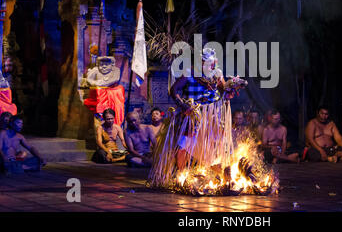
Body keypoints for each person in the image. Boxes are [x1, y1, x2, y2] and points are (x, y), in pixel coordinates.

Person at [148, 48, 247, 187]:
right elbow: (174, 90)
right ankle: (181, 175)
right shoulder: (190, 72)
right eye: (208, 64)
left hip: (213, 113)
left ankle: (218, 174)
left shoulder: (217, 74)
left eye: (214, 63)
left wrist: (231, 88)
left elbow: (223, 90)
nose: (212, 66)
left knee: (217, 143)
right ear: (201, 62)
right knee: (184, 144)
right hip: (195, 114)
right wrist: (184, 106)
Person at [83, 56, 125, 126]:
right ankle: (101, 112)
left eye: (107, 64)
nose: (104, 66)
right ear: (97, 64)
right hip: (99, 91)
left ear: (112, 65)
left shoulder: (116, 70)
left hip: (112, 90)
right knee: (98, 91)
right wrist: (95, 83)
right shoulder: (95, 70)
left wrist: (102, 83)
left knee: (119, 89)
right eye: (101, 64)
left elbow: (115, 79)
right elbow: (89, 79)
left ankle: (115, 119)